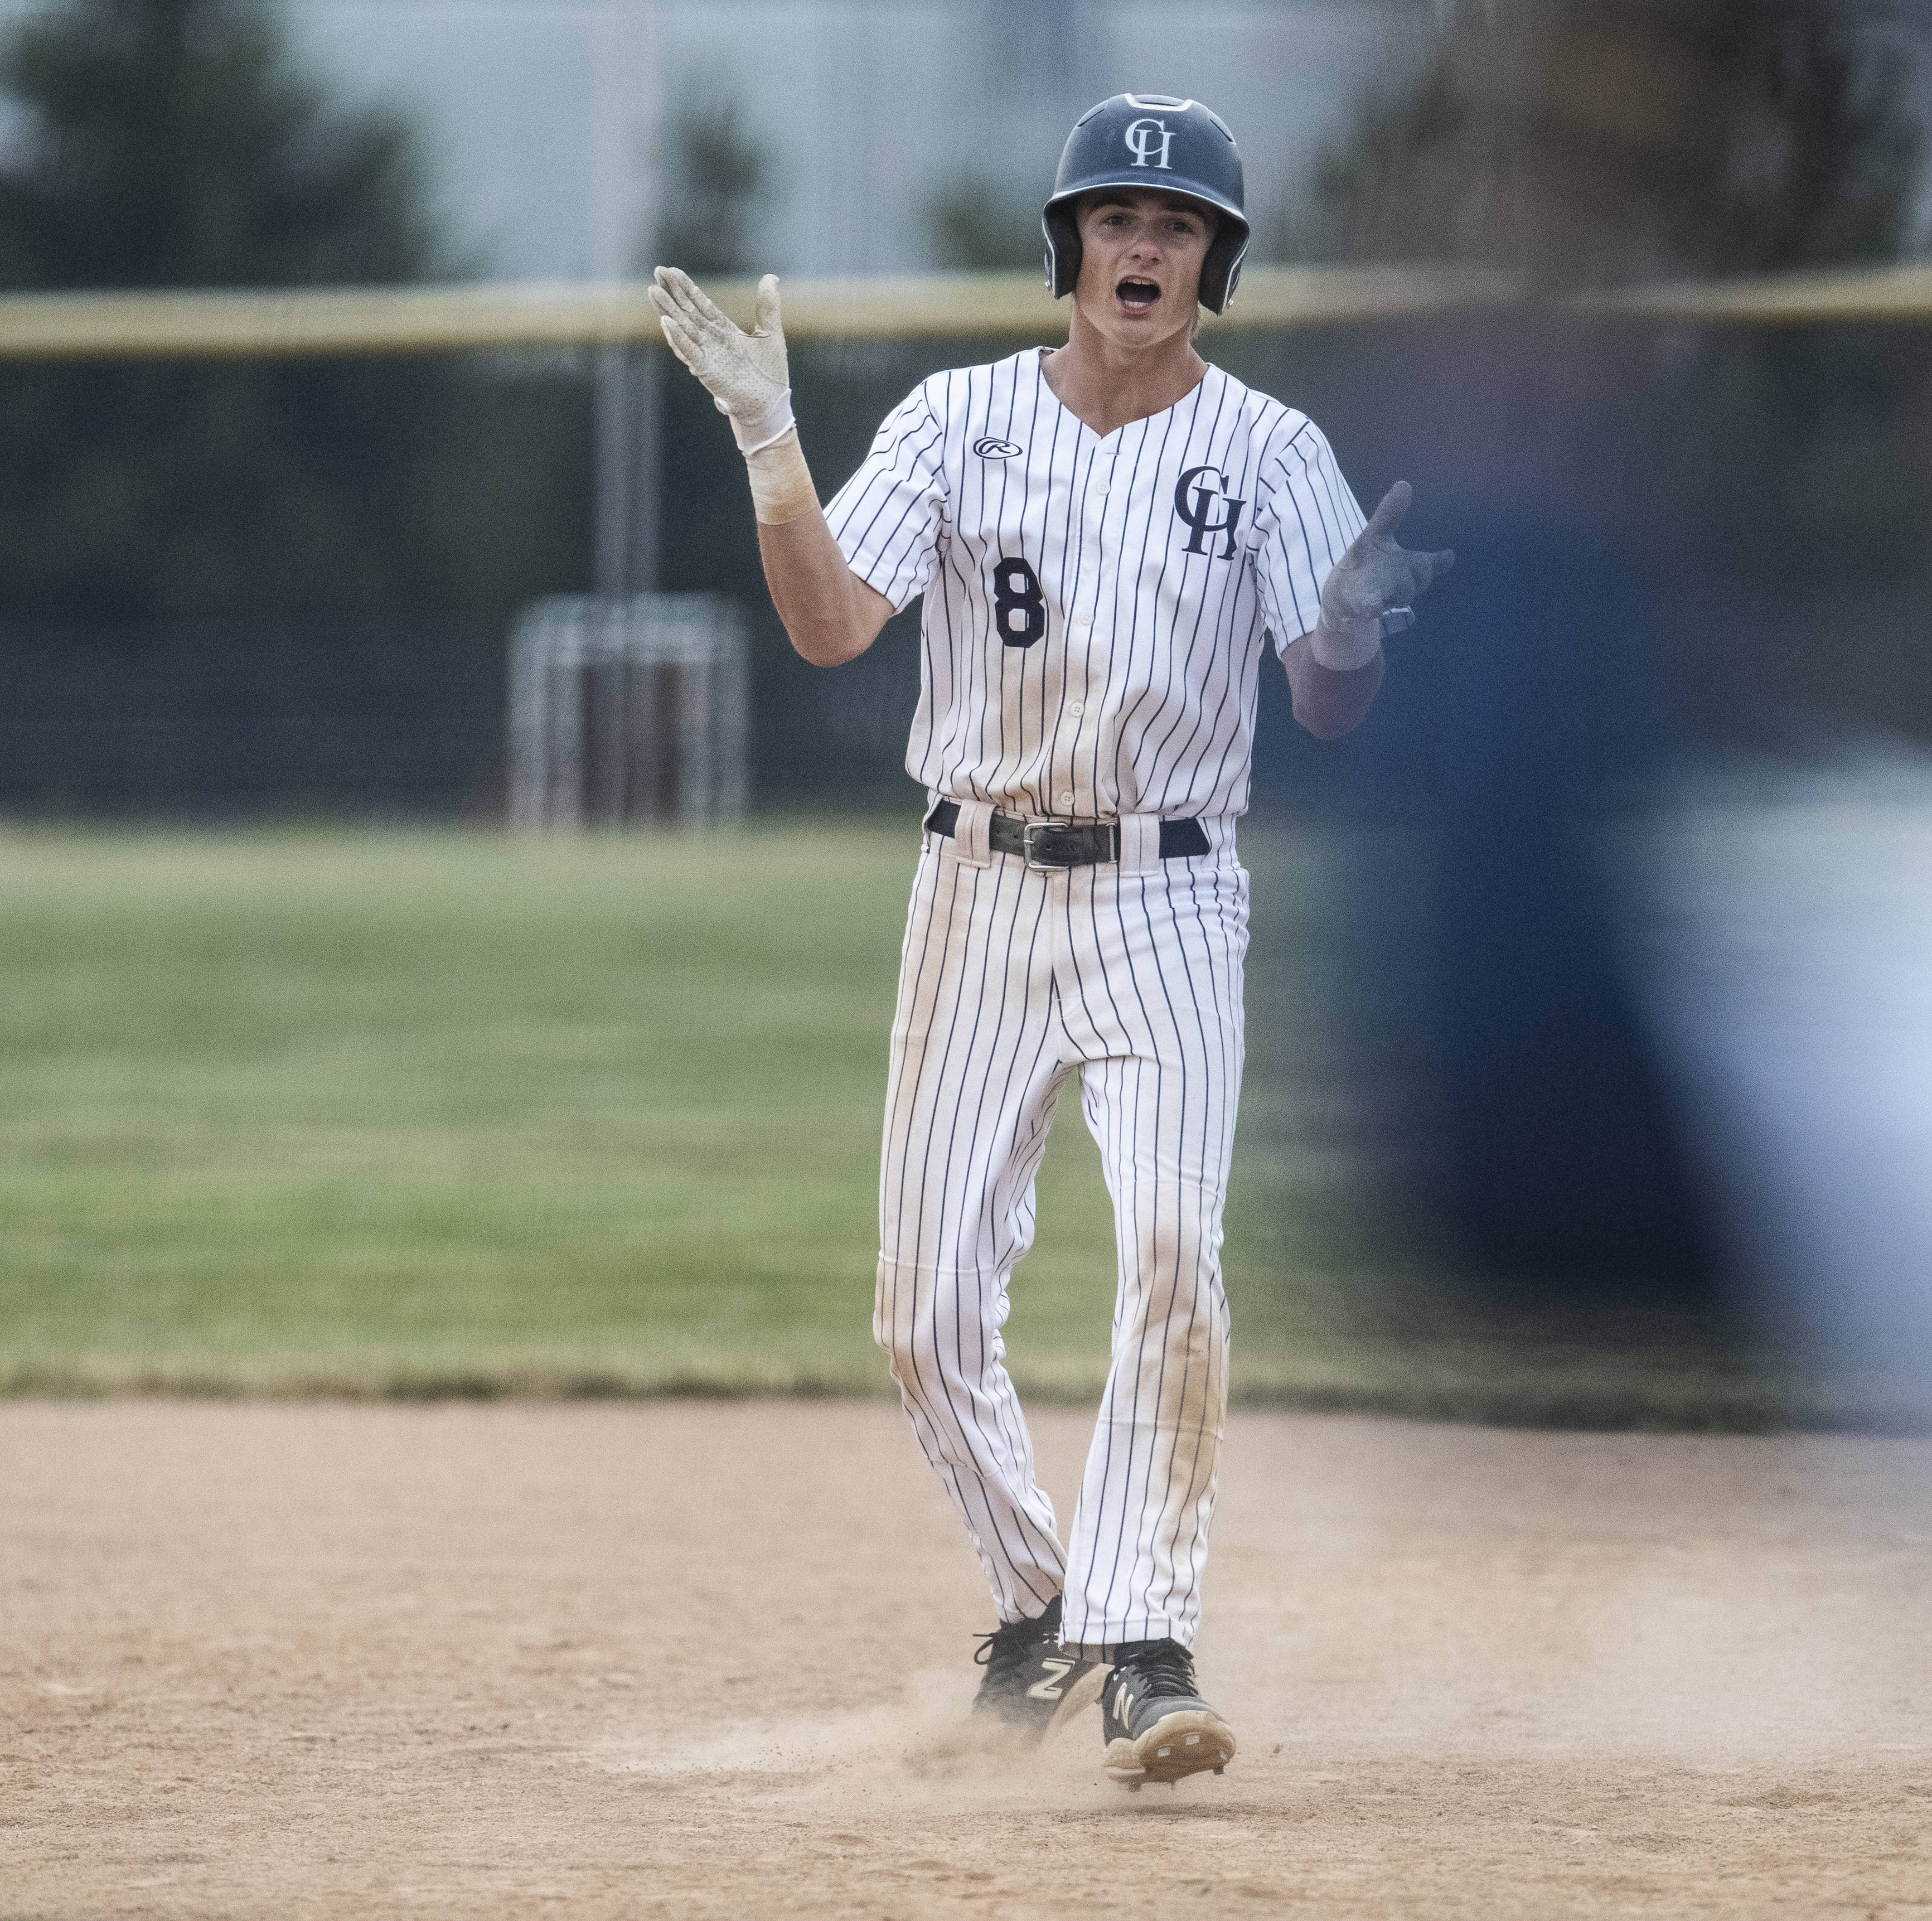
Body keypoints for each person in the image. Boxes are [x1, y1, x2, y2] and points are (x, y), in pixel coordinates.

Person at [651, 93, 1451, 1787]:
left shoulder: (1268, 453)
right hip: (976, 885)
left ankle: (1147, 1644)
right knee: (921, 1314)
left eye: (1174, 228)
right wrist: (768, 444)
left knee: (1172, 1247)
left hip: (1169, 887)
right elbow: (826, 623)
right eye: (1113, 220)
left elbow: (1320, 702)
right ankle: (1042, 1606)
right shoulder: (957, 421)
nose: (1140, 248)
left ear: (1211, 262)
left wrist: (1358, 625)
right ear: (1067, 246)